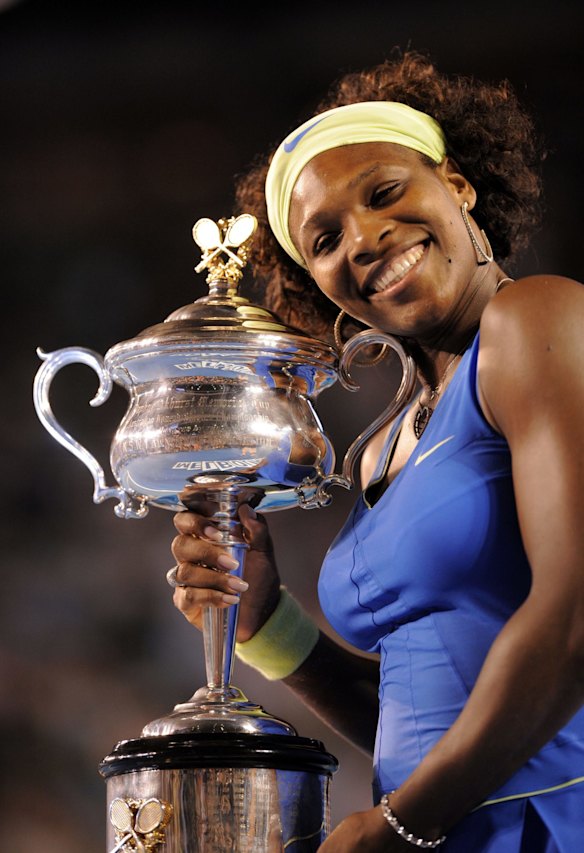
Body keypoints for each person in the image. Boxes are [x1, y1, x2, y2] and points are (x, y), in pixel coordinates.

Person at [166, 50, 584, 851]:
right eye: (324, 239)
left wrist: (401, 821)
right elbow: (416, 709)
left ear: (457, 185)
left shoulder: (535, 320)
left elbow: (575, 617)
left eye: (385, 193)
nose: (362, 238)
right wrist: (264, 618)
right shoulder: (380, 445)